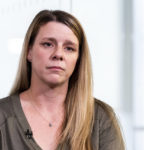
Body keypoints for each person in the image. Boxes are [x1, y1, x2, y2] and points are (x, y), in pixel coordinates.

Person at [0, 10, 125, 150]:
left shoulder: (100, 119)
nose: (58, 54)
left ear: (78, 59)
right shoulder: (3, 116)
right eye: (48, 44)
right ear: (29, 51)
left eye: (69, 48)